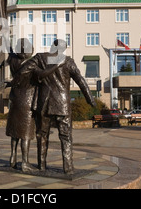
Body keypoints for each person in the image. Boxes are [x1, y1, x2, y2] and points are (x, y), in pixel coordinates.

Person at [30, 39, 96, 174]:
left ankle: (41, 165)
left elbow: (28, 73)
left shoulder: (40, 58)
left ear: (52, 46)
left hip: (45, 102)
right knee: (66, 136)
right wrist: (90, 98)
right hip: (62, 103)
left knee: (42, 135)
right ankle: (68, 168)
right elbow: (80, 80)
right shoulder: (67, 61)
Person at [6, 38, 63, 172]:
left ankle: (13, 157)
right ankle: (25, 162)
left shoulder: (12, 60)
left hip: (15, 98)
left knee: (15, 131)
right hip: (27, 99)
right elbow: (42, 74)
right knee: (25, 132)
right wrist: (57, 65)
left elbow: (9, 51)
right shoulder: (31, 63)